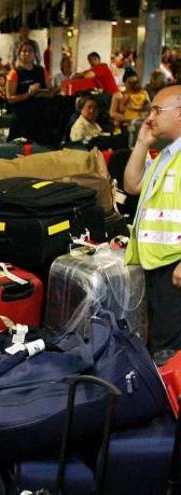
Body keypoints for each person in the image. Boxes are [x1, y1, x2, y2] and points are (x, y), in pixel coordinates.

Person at [124, 85, 181, 353]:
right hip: (157, 264)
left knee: (167, 351)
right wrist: (141, 143)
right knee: (159, 343)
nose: (150, 117)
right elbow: (132, 184)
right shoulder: (167, 156)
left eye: (158, 110)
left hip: (175, 268)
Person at [6, 40, 54, 142]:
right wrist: (28, 94)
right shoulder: (14, 73)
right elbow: (10, 98)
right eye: (24, 51)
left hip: (40, 118)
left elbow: (50, 93)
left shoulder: (41, 70)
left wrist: (41, 92)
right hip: (21, 118)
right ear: (19, 54)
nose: (27, 53)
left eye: (30, 51)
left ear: (34, 54)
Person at [110, 72, 150, 138]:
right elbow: (112, 113)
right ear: (124, 82)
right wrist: (130, 119)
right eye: (130, 82)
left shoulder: (143, 93)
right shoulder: (119, 96)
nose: (133, 85)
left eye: (135, 82)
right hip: (126, 126)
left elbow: (149, 107)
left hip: (142, 123)